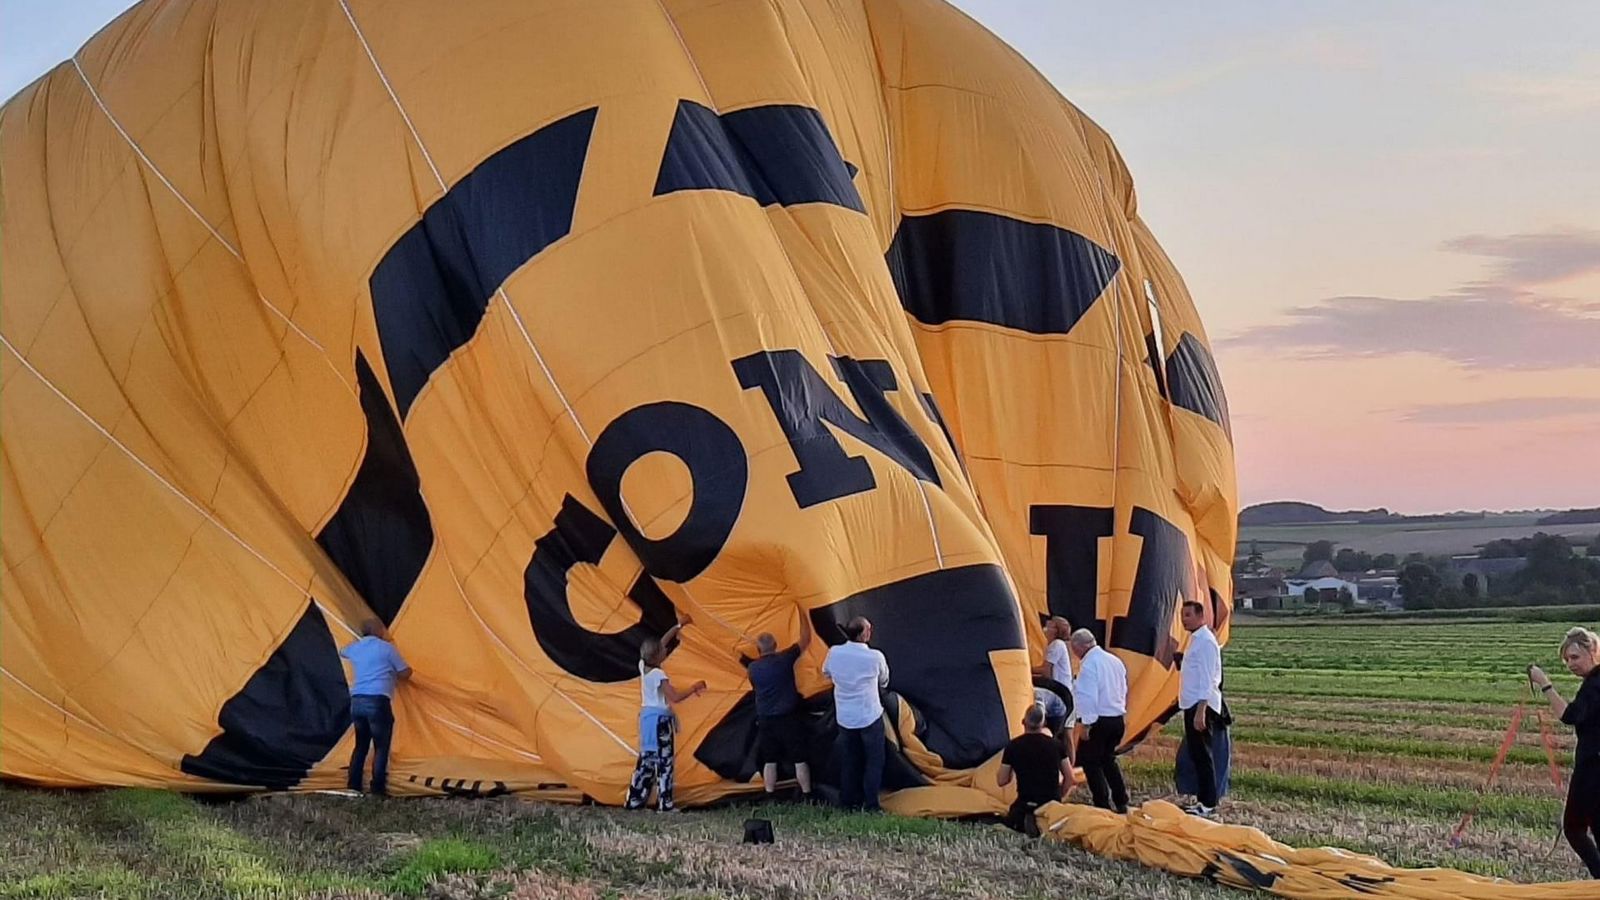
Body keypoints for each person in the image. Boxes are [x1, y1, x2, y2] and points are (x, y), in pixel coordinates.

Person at [1530, 626, 1600, 878]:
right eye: (1567, 659)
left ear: (1593, 651)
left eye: (1575, 657)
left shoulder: (1595, 685)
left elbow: (1570, 716)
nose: (1571, 664)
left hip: (1593, 768)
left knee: (1574, 827)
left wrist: (1545, 684)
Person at [625, 615, 706, 812]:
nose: (667, 650)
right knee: (665, 763)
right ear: (658, 657)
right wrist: (694, 687)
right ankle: (665, 803)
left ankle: (634, 800)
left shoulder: (643, 666)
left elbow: (662, 642)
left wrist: (679, 625)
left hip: (646, 720)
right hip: (660, 721)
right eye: (664, 652)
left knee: (645, 761)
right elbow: (675, 697)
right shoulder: (659, 675)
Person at [742, 613, 814, 801]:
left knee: (770, 759)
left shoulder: (753, 669)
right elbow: (805, 639)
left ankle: (769, 794)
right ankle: (807, 794)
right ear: (775, 646)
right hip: (788, 716)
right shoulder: (784, 660)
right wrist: (803, 614)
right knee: (799, 758)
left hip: (766, 719)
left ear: (758, 650)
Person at [822, 616, 890, 812]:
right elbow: (884, 680)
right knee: (874, 761)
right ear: (864, 633)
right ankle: (871, 804)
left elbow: (825, 672)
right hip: (870, 716)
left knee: (850, 760)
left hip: (845, 717)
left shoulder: (834, 653)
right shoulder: (875, 657)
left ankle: (847, 801)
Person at [341, 618, 411, 796]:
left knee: (360, 745)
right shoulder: (386, 648)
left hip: (357, 701)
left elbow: (343, 651)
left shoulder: (355, 648)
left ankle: (353, 785)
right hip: (377, 701)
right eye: (381, 628)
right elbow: (405, 672)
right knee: (381, 746)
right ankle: (377, 788)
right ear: (376, 630)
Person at [1069, 628, 1129, 814]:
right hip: (1117, 717)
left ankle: (1101, 802)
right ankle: (1121, 800)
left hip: (1099, 720)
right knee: (1108, 759)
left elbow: (1087, 696)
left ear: (1080, 647)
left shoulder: (1089, 665)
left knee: (1091, 762)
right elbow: (1124, 688)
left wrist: (1086, 723)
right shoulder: (1114, 660)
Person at [1177, 599, 1224, 818]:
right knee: (1197, 754)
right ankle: (1203, 798)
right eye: (1182, 615)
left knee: (1203, 755)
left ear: (1200, 616)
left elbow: (1208, 679)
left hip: (1201, 704)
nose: (1183, 619)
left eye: (1187, 615)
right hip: (1193, 703)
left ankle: (1208, 803)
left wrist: (1201, 710)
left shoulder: (1205, 642)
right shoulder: (1195, 640)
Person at [997, 704, 1073, 835]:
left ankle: (1027, 820)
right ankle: (1041, 820)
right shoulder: (1056, 745)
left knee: (1011, 818)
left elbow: (1001, 781)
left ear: (1023, 722)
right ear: (1043, 723)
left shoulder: (1013, 746)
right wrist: (1061, 795)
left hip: (1025, 802)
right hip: (1051, 803)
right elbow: (1070, 777)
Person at [1034, 617, 1075, 696]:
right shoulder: (1056, 645)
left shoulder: (1057, 645)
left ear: (1055, 630)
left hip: (1060, 692)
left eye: (1049, 626)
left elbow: (1046, 670)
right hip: (1062, 690)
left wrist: (1027, 669)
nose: (1045, 629)